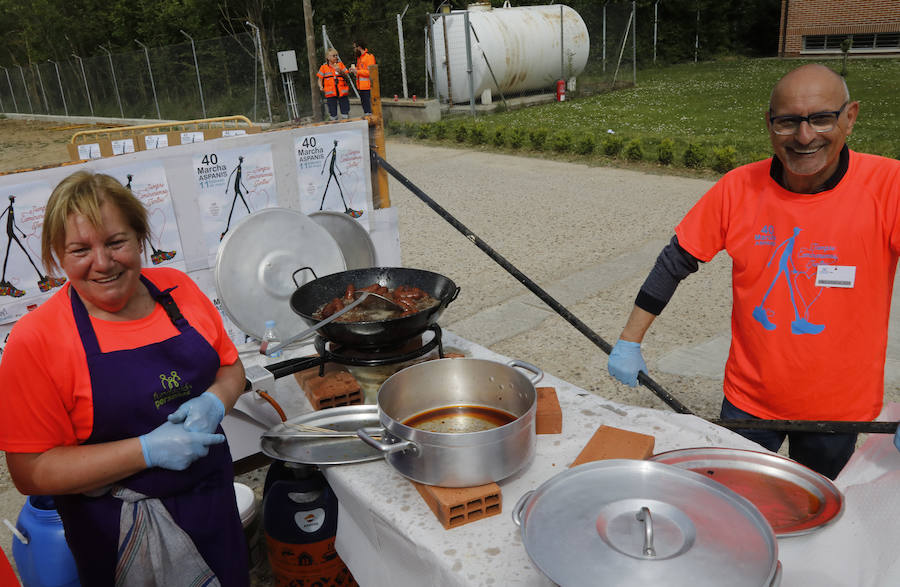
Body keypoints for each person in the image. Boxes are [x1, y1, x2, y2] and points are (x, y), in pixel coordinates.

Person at [607, 64, 900, 480]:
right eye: (788, 122)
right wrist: (628, 341)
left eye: (821, 118)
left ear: (849, 118)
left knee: (814, 517)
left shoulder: (889, 186)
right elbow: (675, 261)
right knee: (737, 503)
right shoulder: (737, 188)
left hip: (838, 411)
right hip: (749, 402)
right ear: (769, 124)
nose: (804, 136)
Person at [0, 171, 249, 585]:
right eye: (80, 250)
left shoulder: (179, 291)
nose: (102, 263)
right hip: (116, 534)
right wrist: (146, 451)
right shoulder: (36, 340)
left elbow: (229, 367)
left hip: (213, 509)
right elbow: (31, 471)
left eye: (116, 242)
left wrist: (215, 401)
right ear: (58, 257)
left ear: (139, 238)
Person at [318, 48, 351, 121]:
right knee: (333, 114)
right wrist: (320, 86)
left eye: (337, 55)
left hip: (342, 92)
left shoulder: (340, 65)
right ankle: (334, 125)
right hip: (331, 93)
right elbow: (320, 79)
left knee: (345, 113)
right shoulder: (323, 67)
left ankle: (346, 124)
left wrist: (340, 71)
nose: (336, 57)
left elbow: (347, 77)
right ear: (328, 57)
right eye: (334, 55)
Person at [349, 40, 376, 115]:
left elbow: (370, 72)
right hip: (361, 87)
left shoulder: (369, 57)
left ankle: (371, 124)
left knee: (369, 110)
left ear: (359, 47)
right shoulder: (360, 58)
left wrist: (357, 71)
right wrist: (354, 70)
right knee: (366, 110)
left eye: (354, 48)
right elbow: (361, 71)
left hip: (368, 87)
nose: (354, 50)